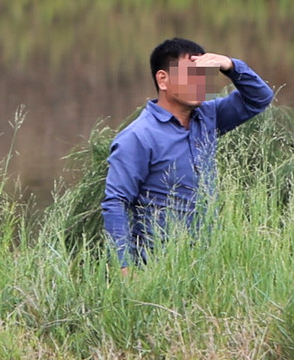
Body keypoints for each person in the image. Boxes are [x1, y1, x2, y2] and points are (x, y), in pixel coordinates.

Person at [102, 37, 274, 271]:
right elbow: (116, 202)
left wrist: (232, 66)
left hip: (208, 261)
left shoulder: (208, 117)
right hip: (158, 264)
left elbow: (260, 98)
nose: (199, 83)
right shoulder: (138, 136)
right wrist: (125, 268)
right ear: (163, 79)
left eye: (202, 75)